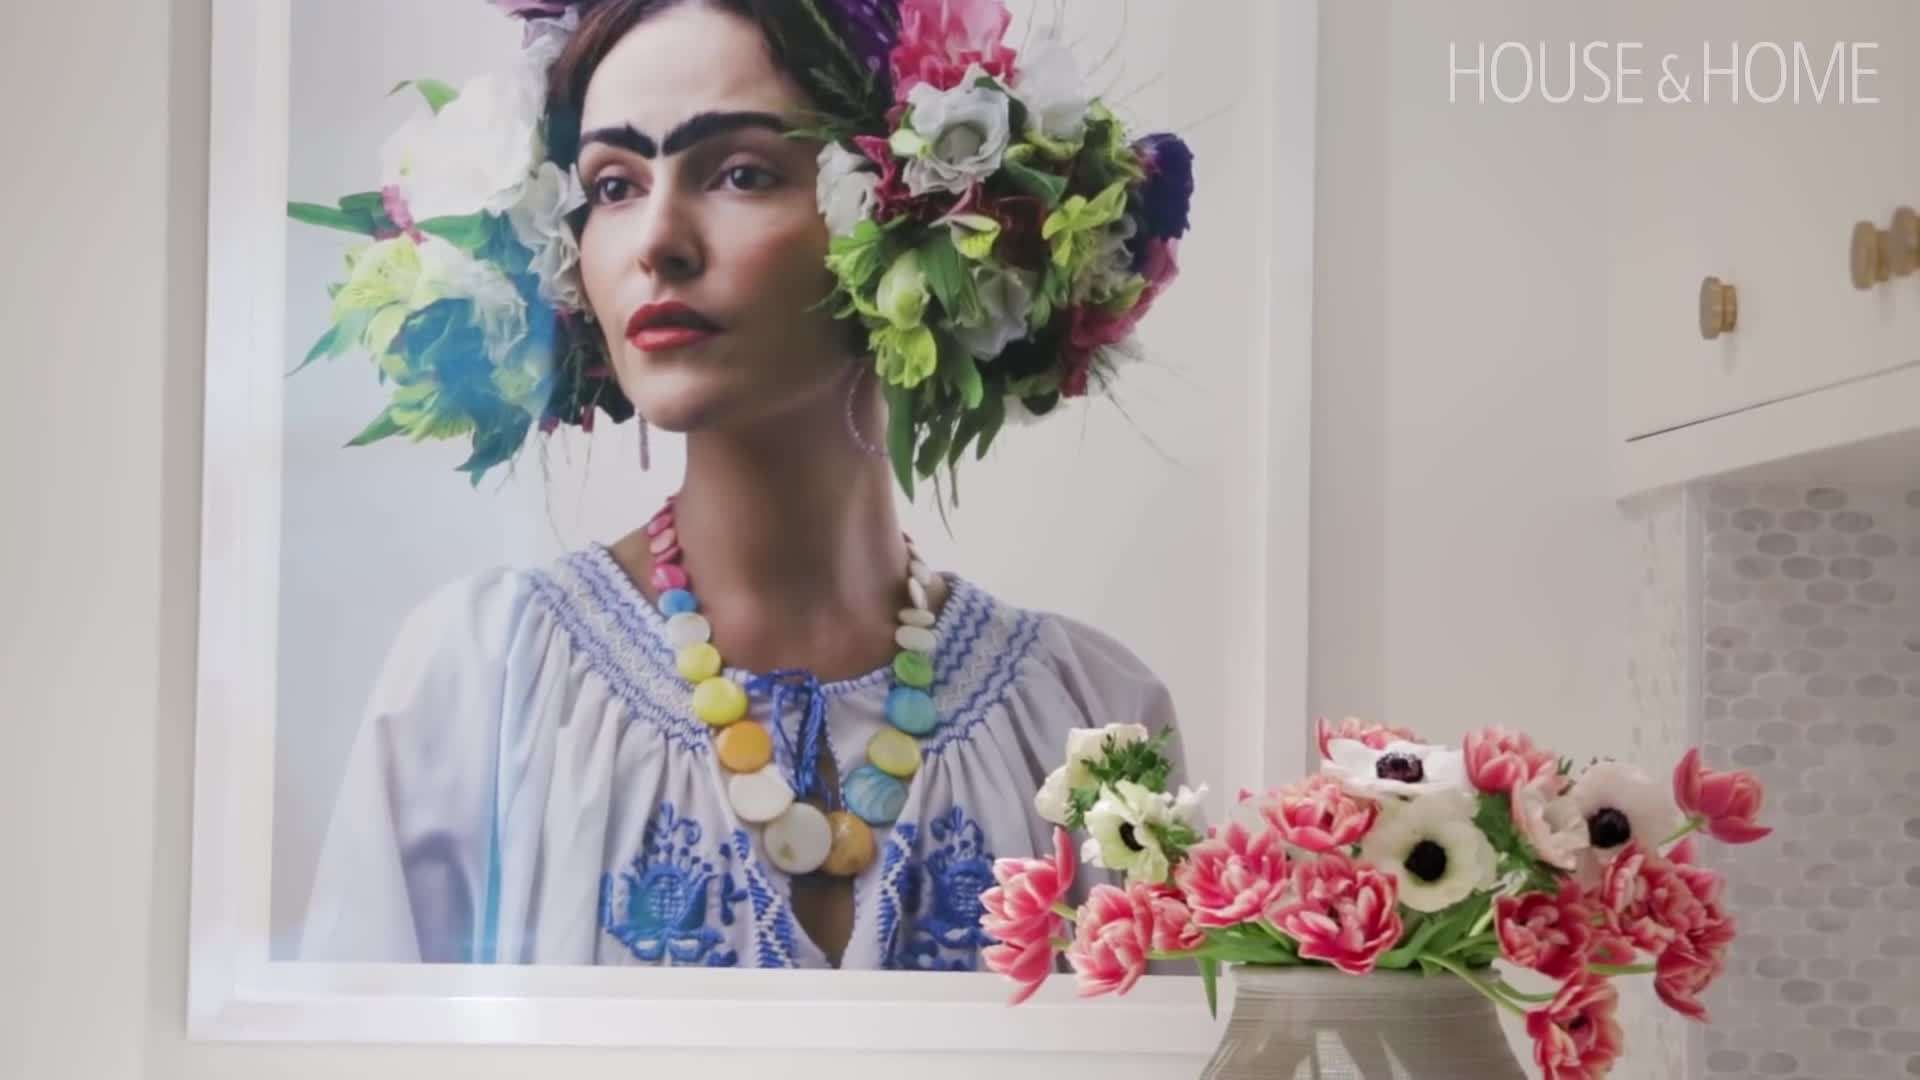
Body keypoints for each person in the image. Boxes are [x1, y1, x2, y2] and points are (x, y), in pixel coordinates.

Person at [296, 0, 1198, 969]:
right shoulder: (475, 691)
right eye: (611, 185)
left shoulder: (1085, 725)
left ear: (914, 219)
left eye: (738, 173)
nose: (658, 240)